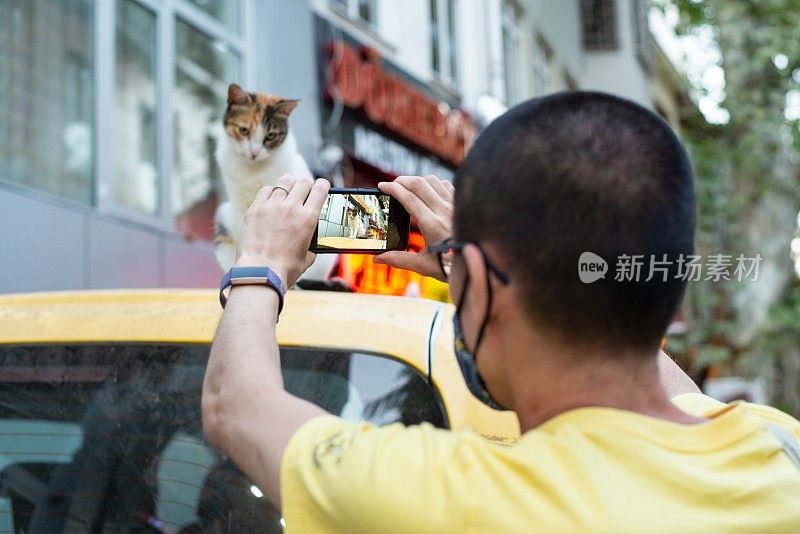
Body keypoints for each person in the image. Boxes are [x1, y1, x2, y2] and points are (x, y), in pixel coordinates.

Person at [202, 92, 800, 532]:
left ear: (482, 286)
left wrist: (259, 262)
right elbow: (677, 392)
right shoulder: (776, 447)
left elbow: (235, 408)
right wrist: (479, 272)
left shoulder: (461, 498)